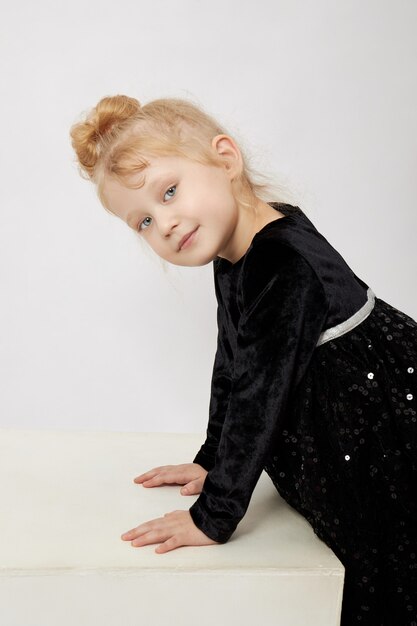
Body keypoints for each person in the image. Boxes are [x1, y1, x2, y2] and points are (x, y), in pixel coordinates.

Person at [69, 94, 417, 625]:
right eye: (142, 221)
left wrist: (213, 516)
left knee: (386, 557)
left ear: (225, 159)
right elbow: (234, 358)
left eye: (169, 191)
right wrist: (211, 460)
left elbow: (261, 391)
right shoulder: (239, 253)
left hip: (382, 426)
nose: (163, 222)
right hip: (343, 417)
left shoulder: (282, 262)